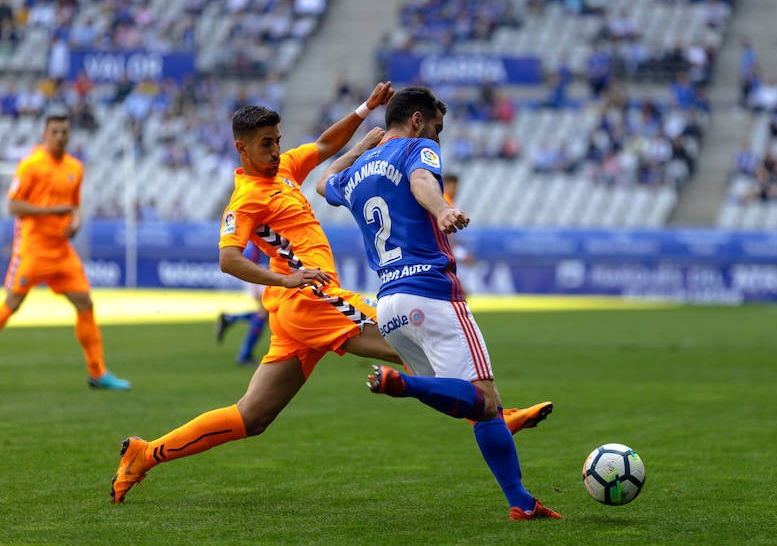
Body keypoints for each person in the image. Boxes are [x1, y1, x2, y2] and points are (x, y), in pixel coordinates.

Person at [111, 82, 550, 504]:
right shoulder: (246, 198)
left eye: (277, 140)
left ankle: (146, 454)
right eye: (265, 143)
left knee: (252, 416)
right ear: (241, 148)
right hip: (309, 298)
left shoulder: (282, 169)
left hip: (297, 313)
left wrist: (363, 112)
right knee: (409, 336)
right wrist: (285, 279)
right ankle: (497, 413)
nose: (276, 150)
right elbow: (228, 258)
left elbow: (322, 148)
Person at [317, 86, 561, 521]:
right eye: (437, 127)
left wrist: (358, 147)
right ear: (416, 121)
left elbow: (321, 183)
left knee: (475, 406)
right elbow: (421, 181)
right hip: (432, 292)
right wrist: (442, 209)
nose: (438, 137)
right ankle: (402, 384)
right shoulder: (417, 148)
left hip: (390, 305)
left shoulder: (356, 172)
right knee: (484, 399)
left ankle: (521, 503)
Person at [0, 110, 130, 391]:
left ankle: (98, 373)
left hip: (61, 251)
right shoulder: (31, 165)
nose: (60, 136)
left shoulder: (75, 168)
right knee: (11, 305)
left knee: (85, 303)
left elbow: (74, 209)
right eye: (55, 132)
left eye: (64, 132)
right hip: (32, 250)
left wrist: (76, 223)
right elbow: (13, 206)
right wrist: (50, 211)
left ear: (69, 134)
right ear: (45, 135)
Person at [216, 241, 268, 366]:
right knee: (263, 313)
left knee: (268, 313)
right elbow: (255, 249)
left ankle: (230, 319)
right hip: (257, 270)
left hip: (261, 270)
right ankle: (244, 355)